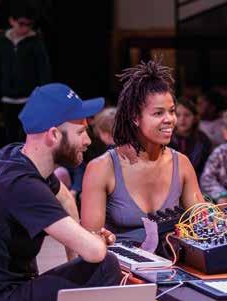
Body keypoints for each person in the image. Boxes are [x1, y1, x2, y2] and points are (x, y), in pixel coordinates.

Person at [0, 83, 122, 301]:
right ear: (53, 135)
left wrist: (78, 246)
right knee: (106, 266)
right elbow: (95, 252)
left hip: (6, 298)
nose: (88, 140)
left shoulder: (14, 155)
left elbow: (65, 197)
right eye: (81, 132)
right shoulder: (22, 185)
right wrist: (89, 242)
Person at [81, 61, 203, 244]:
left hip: (172, 260)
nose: (169, 119)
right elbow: (90, 242)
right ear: (135, 117)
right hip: (119, 261)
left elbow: (203, 225)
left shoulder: (182, 164)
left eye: (172, 111)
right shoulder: (101, 168)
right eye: (158, 113)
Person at [0, 1, 51, 145]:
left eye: (29, 24)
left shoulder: (36, 42)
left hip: (29, 100)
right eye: (21, 24)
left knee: (27, 138)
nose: (25, 28)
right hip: (7, 100)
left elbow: (44, 73)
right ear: (12, 21)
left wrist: (41, 99)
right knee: (8, 138)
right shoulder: (2, 41)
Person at [169, 97, 212, 178]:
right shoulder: (166, 138)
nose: (182, 119)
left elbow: (207, 168)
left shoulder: (203, 140)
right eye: (178, 115)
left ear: (195, 118)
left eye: (187, 115)